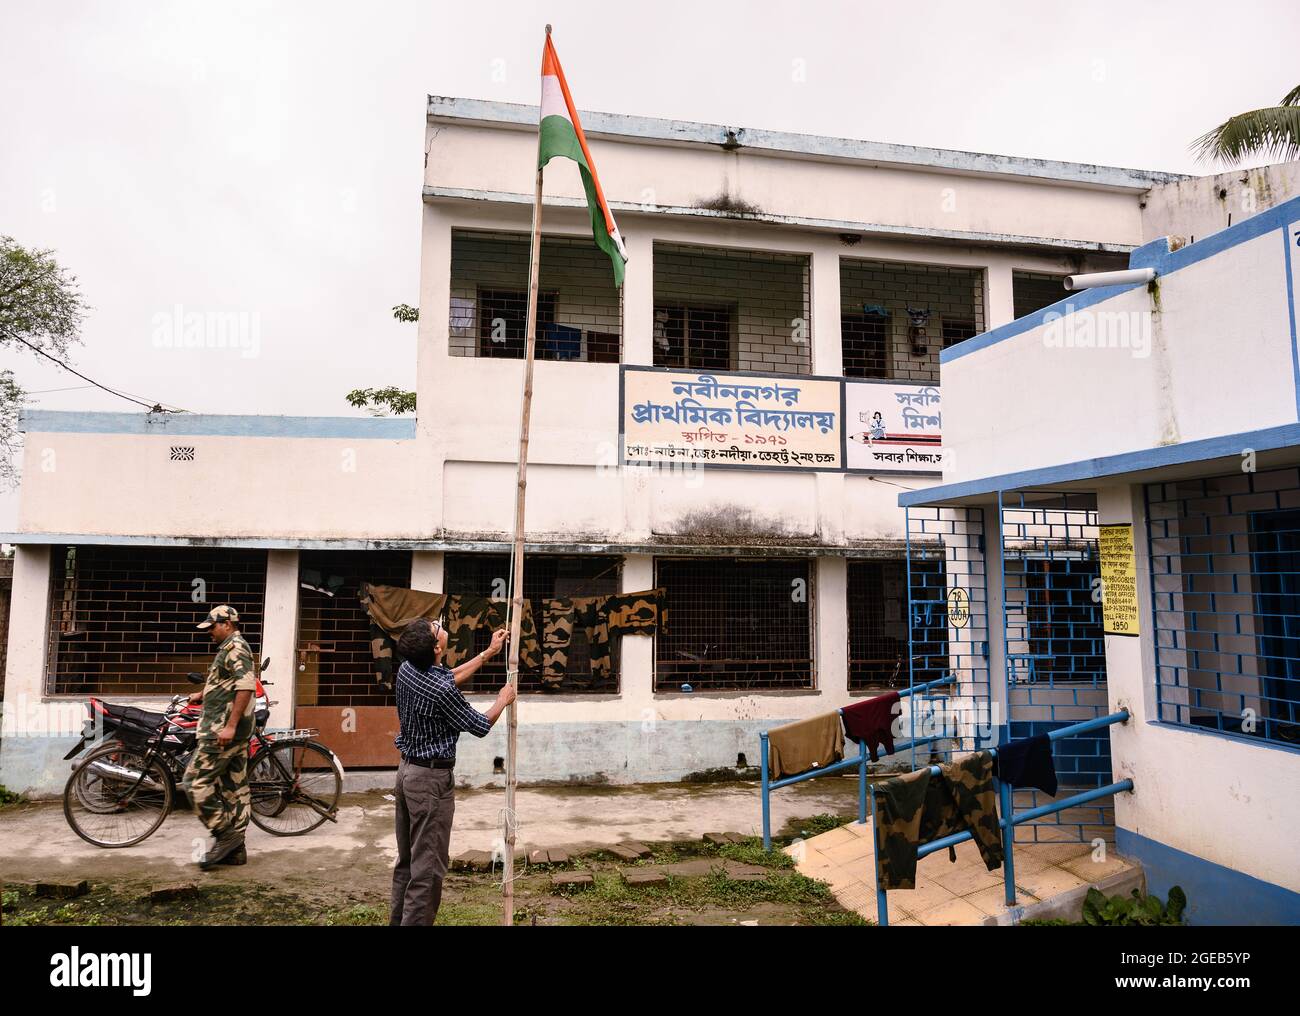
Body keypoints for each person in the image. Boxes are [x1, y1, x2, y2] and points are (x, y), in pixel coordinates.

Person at [390, 618, 516, 925]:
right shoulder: (441, 690)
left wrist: (488, 652)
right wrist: (502, 700)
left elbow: (449, 676)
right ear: (437, 647)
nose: (438, 624)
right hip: (430, 783)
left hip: (407, 772)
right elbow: (480, 725)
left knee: (407, 863)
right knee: (428, 870)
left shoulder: (409, 669)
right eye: (436, 628)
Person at [183, 604, 257, 870]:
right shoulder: (229, 648)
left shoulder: (236, 647)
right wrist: (202, 694)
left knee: (194, 782)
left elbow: (246, 685)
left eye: (212, 627)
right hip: (230, 732)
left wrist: (230, 726)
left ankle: (225, 835)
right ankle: (237, 851)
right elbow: (226, 682)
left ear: (227, 624)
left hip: (222, 733)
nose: (209, 632)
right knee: (234, 788)